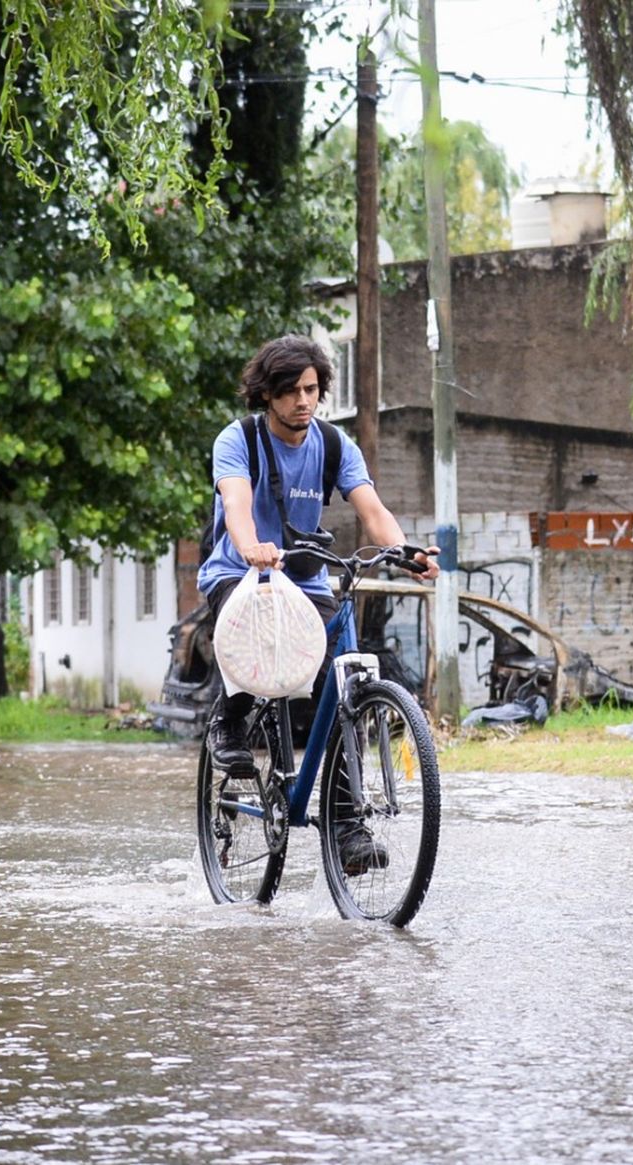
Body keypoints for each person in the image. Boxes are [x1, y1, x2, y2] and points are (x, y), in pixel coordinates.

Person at [198, 335, 438, 872]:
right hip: (239, 572)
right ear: (266, 395)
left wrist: (405, 551)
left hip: (303, 582)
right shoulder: (238, 440)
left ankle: (349, 825)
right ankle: (229, 720)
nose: (302, 401)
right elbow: (236, 504)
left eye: (311, 389)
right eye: (289, 392)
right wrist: (251, 548)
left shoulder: (334, 446)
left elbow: (372, 510)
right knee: (253, 631)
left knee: (341, 687)